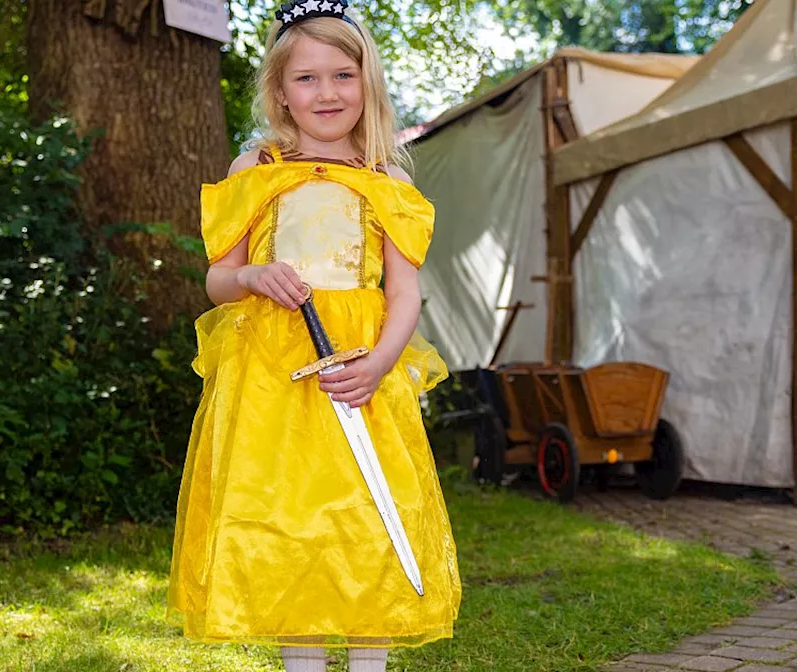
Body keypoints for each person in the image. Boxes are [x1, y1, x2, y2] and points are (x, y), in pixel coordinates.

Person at [165, 3, 460, 670]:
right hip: (275, 381)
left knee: (367, 527)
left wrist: (381, 364)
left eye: (342, 75)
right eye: (306, 79)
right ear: (279, 92)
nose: (327, 93)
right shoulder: (257, 168)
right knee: (294, 527)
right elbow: (219, 279)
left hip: (362, 375)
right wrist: (256, 276)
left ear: (367, 82)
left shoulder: (388, 178)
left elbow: (405, 293)